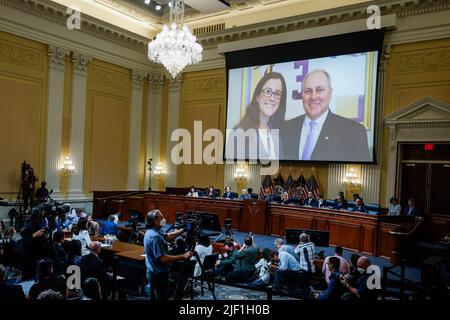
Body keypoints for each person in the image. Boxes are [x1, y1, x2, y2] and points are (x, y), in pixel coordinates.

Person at [281, 69, 370, 161]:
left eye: (319, 90)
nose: (313, 97)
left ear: (330, 94)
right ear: (302, 95)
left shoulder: (354, 132)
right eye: (308, 91)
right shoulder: (286, 129)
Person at [229, 71, 287, 160]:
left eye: (277, 94)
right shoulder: (239, 132)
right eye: (268, 91)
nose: (272, 98)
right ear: (257, 97)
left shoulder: (278, 135)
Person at [143, 209, 193, 300]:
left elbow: (168, 236)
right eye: (161, 218)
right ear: (154, 221)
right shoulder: (155, 236)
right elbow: (163, 259)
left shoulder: (152, 231)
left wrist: (183, 229)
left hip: (152, 271)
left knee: (154, 297)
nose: (164, 219)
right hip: (158, 275)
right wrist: (184, 256)